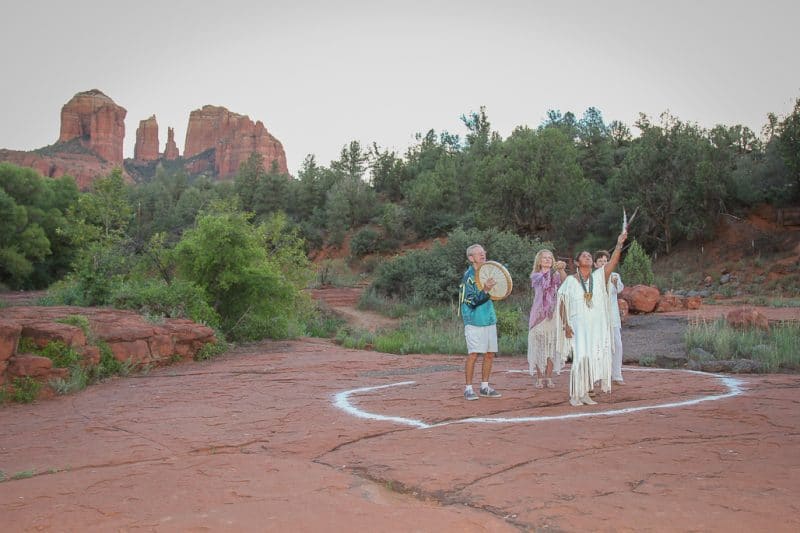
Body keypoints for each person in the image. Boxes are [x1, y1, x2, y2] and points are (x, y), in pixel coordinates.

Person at [556, 231, 627, 407]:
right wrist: (565, 325)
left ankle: (586, 393)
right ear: (578, 263)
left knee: (591, 358)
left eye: (589, 255)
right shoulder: (571, 281)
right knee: (580, 358)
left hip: (595, 324)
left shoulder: (598, 277)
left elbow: (613, 262)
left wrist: (619, 244)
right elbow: (562, 304)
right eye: (584, 256)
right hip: (577, 323)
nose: (588, 257)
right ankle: (575, 394)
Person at [459, 244, 502, 401]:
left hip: (489, 318)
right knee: (473, 354)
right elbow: (470, 302)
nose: (483, 255)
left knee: (490, 354)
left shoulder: (487, 272)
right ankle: (468, 388)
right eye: (479, 253)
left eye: (483, 252)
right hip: (474, 320)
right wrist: (484, 290)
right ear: (471, 258)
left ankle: (484, 387)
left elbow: (496, 293)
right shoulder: (468, 277)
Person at [527, 249, 567, 389]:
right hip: (538, 316)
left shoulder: (555, 274)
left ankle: (549, 377)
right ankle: (539, 377)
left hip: (553, 314)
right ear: (539, 261)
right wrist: (553, 271)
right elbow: (544, 283)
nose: (548, 259)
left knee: (551, 345)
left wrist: (561, 269)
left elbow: (565, 282)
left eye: (550, 258)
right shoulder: (536, 275)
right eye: (544, 258)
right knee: (539, 346)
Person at [594, 250, 625, 384]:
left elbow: (620, 289)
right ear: (595, 264)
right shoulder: (592, 276)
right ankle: (599, 375)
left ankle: (616, 375)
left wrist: (615, 282)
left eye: (606, 260)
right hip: (597, 318)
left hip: (612, 317)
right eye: (600, 261)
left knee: (617, 344)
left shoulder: (615, 275)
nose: (603, 263)